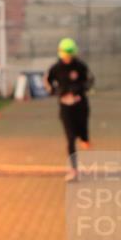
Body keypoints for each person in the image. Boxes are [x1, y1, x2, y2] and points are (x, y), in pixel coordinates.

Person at [44, 37, 94, 182]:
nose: (67, 56)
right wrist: (55, 91)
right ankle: (74, 169)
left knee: (83, 134)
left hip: (80, 105)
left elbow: (89, 80)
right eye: (65, 53)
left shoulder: (80, 66)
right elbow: (47, 81)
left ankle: (85, 140)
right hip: (65, 107)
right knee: (70, 138)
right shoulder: (56, 68)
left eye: (70, 53)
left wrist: (80, 88)